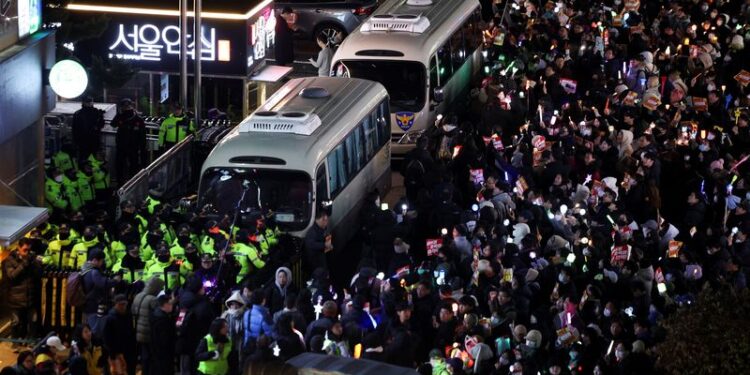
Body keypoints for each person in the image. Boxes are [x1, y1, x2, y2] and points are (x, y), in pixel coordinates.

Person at [2, 238, 40, 350]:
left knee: (33, 320)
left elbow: (38, 274)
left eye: (29, 250)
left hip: (30, 297)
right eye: (25, 250)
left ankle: (31, 341)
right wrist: (25, 263)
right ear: (18, 248)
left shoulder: (31, 260)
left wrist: (34, 263)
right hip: (15, 298)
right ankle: (15, 342)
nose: (27, 253)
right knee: (16, 322)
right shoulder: (9, 260)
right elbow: (12, 276)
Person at [132, 277, 165, 375]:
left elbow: (132, 311)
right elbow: (159, 314)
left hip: (139, 331)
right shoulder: (153, 299)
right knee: (151, 357)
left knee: (144, 355)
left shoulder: (138, 296)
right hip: (149, 332)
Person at [111, 98, 147, 182]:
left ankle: (132, 184)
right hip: (121, 146)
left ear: (132, 106)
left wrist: (142, 149)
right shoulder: (120, 116)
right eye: (125, 106)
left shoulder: (138, 119)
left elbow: (142, 135)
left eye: (128, 106)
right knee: (119, 166)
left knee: (133, 167)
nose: (127, 108)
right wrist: (119, 114)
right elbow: (113, 124)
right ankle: (120, 184)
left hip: (133, 147)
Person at [102, 294, 137, 375]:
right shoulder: (110, 318)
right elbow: (106, 338)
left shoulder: (128, 315)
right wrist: (113, 354)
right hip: (117, 353)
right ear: (115, 304)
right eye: (121, 304)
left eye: (125, 304)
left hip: (129, 352)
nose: (123, 306)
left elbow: (132, 332)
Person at [150, 294, 177, 375]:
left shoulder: (155, 314)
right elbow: (165, 339)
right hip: (164, 353)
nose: (172, 306)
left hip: (156, 351)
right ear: (165, 305)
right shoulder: (163, 319)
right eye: (170, 303)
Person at [72, 96, 105, 161]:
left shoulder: (96, 112)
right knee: (84, 158)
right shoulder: (78, 113)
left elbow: (101, 124)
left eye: (90, 102)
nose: (89, 103)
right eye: (87, 102)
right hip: (83, 140)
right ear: (83, 102)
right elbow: (74, 128)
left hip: (93, 140)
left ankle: (92, 170)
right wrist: (75, 141)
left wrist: (101, 117)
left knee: (93, 159)